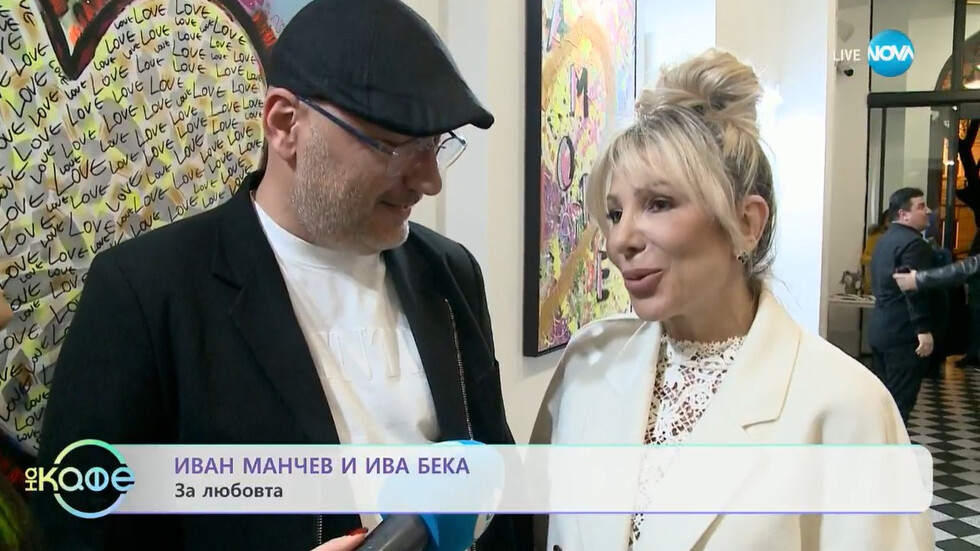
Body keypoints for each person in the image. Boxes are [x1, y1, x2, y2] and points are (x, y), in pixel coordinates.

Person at [31, 0, 530, 549]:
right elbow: (81, 532)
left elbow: (497, 488)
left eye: (435, 145)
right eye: (396, 147)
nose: (430, 181)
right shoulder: (146, 295)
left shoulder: (450, 275)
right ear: (285, 124)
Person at [529, 49, 932, 551]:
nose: (620, 240)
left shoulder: (846, 405)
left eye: (658, 204)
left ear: (745, 223)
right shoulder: (588, 362)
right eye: (614, 214)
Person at [868, 188, 945, 422]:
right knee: (899, 407)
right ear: (903, 214)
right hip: (904, 334)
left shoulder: (883, 241)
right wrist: (923, 329)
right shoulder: (914, 245)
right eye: (921, 206)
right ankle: (890, 447)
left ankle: (878, 444)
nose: (928, 211)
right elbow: (912, 289)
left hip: (881, 329)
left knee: (884, 404)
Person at [861, 209, 889, 293]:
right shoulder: (877, 236)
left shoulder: (901, 237)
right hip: (875, 283)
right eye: (889, 219)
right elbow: (864, 258)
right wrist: (878, 260)